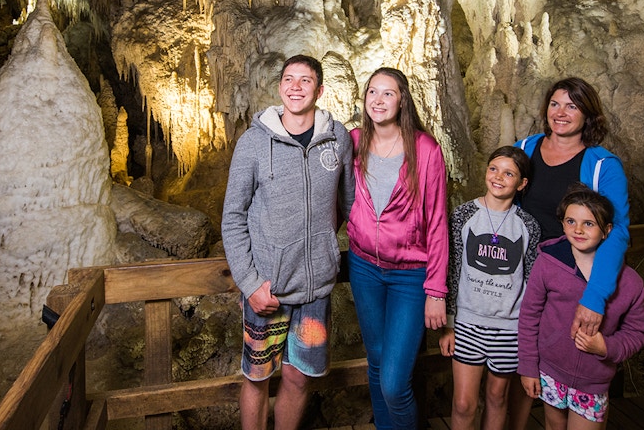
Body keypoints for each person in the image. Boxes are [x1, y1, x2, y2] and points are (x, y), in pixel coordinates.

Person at [221, 54, 355, 430]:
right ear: (280, 87)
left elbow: (347, 202)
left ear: (320, 89)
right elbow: (232, 217)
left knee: (298, 379)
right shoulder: (253, 143)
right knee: (258, 377)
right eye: (289, 79)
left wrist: (323, 244)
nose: (296, 87)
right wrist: (250, 285)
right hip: (269, 290)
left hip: (316, 289)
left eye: (305, 80)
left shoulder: (338, 138)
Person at [345, 67, 449, 430]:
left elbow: (437, 221)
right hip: (363, 268)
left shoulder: (425, 149)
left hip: (410, 276)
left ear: (402, 99)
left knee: (393, 380)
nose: (378, 99)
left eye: (388, 93)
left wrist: (436, 290)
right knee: (375, 365)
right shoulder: (353, 140)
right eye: (373, 92)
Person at [517, 185, 644, 430]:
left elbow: (637, 332)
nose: (578, 230)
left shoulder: (629, 282)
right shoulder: (548, 263)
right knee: (553, 425)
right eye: (571, 221)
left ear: (607, 230)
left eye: (589, 224)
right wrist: (527, 367)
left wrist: (606, 347)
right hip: (550, 370)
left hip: (593, 380)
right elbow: (529, 316)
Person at [514, 77, 630, 338]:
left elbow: (618, 232)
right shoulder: (523, 150)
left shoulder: (604, 166)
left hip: (570, 276)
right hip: (519, 272)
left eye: (572, 106)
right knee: (512, 355)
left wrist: (595, 297)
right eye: (555, 104)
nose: (561, 113)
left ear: (587, 114)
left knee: (558, 353)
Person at [439, 146, 542, 430]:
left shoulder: (527, 225)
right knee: (463, 403)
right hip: (467, 324)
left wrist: (528, 332)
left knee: (497, 397)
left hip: (509, 328)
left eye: (509, 173)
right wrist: (448, 325)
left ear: (521, 184)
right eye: (494, 169)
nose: (498, 177)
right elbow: (452, 269)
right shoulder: (463, 215)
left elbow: (531, 280)